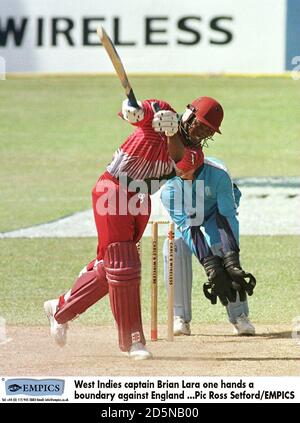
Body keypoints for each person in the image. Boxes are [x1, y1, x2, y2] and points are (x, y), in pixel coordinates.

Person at [44, 96, 224, 360]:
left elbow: (179, 157)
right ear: (189, 114)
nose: (203, 131)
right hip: (114, 189)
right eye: (201, 124)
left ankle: (59, 309)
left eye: (209, 130)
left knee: (111, 268)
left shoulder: (196, 156)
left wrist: (172, 132)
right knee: (124, 266)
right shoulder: (162, 111)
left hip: (141, 199)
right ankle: (133, 342)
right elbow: (136, 112)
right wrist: (137, 112)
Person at [161, 156, 256, 337]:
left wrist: (231, 257)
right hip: (189, 218)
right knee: (175, 246)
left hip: (217, 213)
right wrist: (208, 263)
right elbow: (187, 226)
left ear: (198, 165)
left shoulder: (219, 174)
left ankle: (240, 317)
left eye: (186, 168)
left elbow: (228, 216)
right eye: (178, 169)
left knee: (223, 252)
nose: (181, 172)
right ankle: (180, 317)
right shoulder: (170, 189)